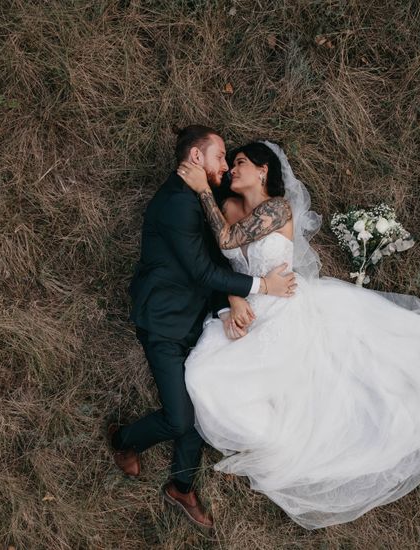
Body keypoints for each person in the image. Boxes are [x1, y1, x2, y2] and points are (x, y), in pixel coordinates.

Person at [176, 141, 420, 530]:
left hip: (285, 310)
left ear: (263, 170)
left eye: (240, 163)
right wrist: (234, 297)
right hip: (249, 308)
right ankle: (273, 434)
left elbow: (228, 241)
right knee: (201, 374)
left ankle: (287, 438)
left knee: (325, 388)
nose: (231, 170)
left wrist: (202, 189)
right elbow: (219, 259)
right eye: (231, 164)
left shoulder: (277, 207)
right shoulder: (226, 209)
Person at [109, 126, 297, 532]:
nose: (226, 166)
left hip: (205, 314)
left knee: (202, 398)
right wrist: (259, 288)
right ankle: (125, 440)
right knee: (182, 420)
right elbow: (202, 268)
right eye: (221, 157)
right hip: (165, 322)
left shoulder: (208, 200)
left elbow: (221, 256)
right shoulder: (178, 202)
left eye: (234, 161)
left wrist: (230, 301)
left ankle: (181, 486)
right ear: (197, 158)